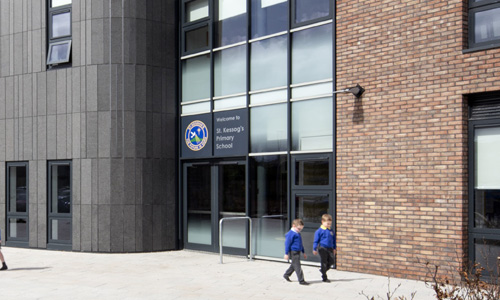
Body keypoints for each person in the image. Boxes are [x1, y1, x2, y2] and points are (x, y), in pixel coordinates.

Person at [283, 219, 309, 285]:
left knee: (294, 265)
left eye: (301, 229)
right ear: (293, 226)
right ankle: (301, 280)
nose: (299, 230)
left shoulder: (297, 233)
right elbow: (287, 244)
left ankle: (286, 274)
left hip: (298, 251)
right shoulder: (291, 234)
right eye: (298, 228)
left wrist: (303, 252)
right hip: (293, 252)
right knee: (297, 266)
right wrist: (286, 253)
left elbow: (300, 244)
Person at [313, 214, 336, 282]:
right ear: (322, 222)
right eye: (327, 223)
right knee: (324, 262)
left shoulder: (331, 231)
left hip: (330, 248)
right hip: (322, 248)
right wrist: (314, 248)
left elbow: (334, 240)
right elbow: (316, 241)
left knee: (332, 261)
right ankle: (324, 277)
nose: (329, 225)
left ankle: (323, 270)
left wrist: (334, 248)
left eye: (330, 224)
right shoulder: (319, 231)